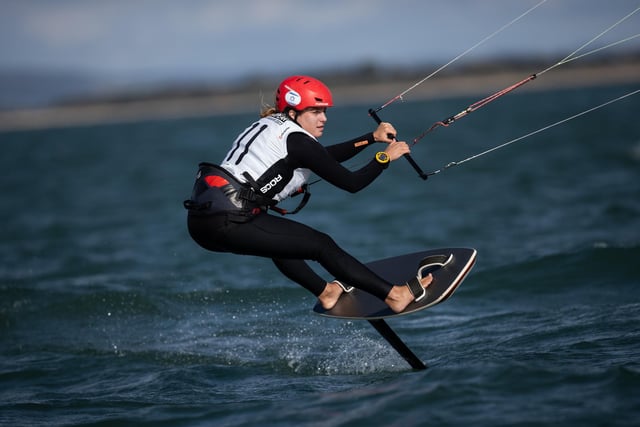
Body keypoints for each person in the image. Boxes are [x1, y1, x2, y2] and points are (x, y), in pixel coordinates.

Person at [184, 75, 432, 313]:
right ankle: (394, 296)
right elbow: (352, 183)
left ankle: (326, 292)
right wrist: (384, 158)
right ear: (293, 112)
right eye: (315, 112)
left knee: (279, 240)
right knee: (320, 245)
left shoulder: (269, 125)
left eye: (324, 111)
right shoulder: (298, 141)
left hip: (203, 223)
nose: (323, 118)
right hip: (230, 220)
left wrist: (371, 139)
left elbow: (320, 158)